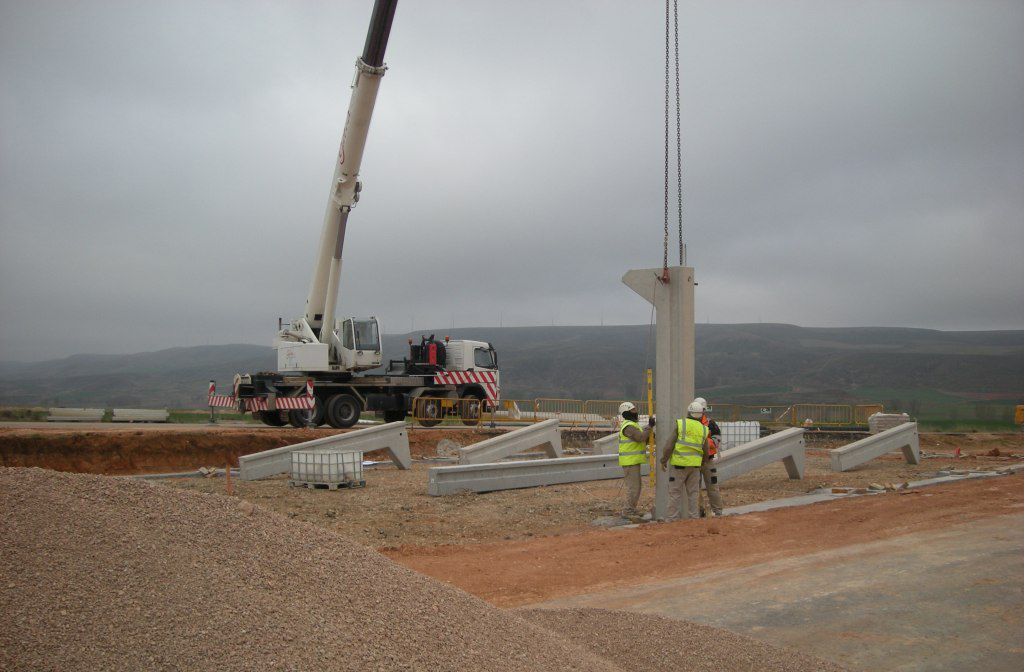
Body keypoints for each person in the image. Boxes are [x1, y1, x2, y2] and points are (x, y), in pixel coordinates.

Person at [659, 400, 709, 520]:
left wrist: (663, 460)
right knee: (693, 494)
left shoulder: (682, 424)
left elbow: (669, 445)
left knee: (675, 493)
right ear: (701, 414)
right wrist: (702, 463)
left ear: (689, 412)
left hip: (679, 466)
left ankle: (672, 519)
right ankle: (694, 519)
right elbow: (705, 451)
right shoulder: (703, 429)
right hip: (695, 467)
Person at [617, 401, 655, 517]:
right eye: (633, 410)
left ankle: (631, 509)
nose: (636, 412)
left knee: (636, 487)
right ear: (626, 413)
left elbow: (643, 437)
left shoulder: (633, 425)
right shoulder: (628, 426)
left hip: (633, 461)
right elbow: (640, 437)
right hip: (630, 462)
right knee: (634, 487)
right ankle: (628, 510)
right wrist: (649, 427)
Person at [694, 397, 724, 516]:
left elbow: (716, 441)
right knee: (695, 489)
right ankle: (699, 511)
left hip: (707, 460)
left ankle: (717, 511)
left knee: (712, 487)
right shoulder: (690, 424)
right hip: (694, 461)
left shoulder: (711, 424)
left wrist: (703, 443)